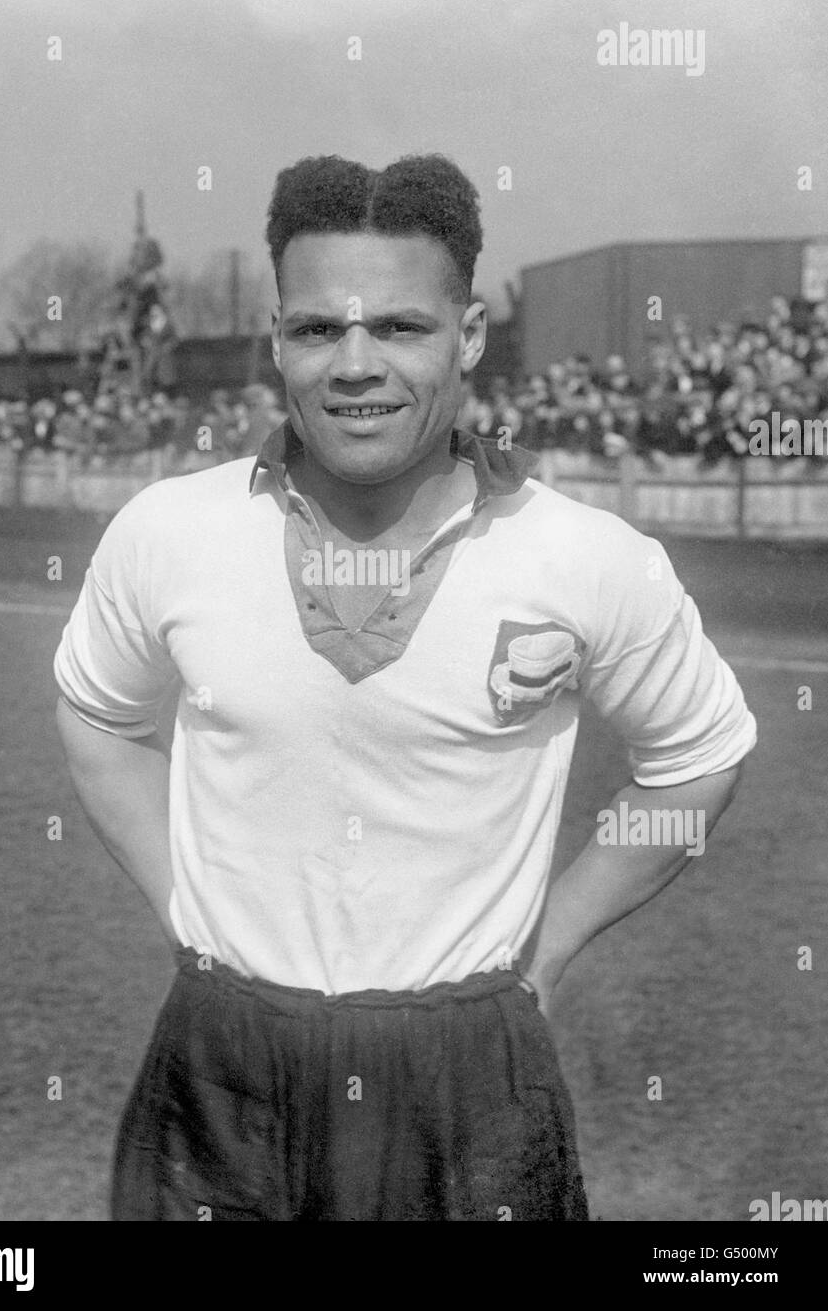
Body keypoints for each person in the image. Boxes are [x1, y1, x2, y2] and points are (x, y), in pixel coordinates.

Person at [53, 154, 757, 1222]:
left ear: (468, 334)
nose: (355, 364)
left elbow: (701, 753)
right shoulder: (170, 532)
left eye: (399, 326)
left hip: (468, 1072)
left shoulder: (583, 557)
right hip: (221, 1056)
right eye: (319, 329)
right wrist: (183, 901)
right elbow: (100, 715)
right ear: (277, 335)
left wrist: (550, 945)